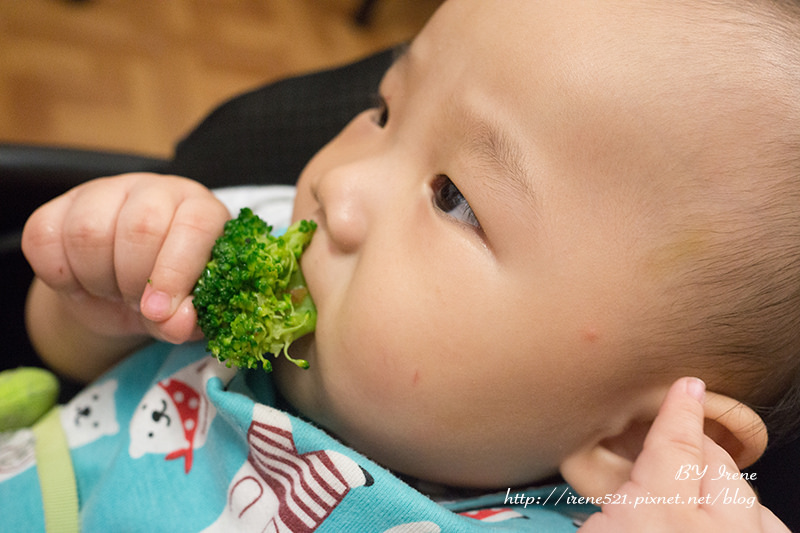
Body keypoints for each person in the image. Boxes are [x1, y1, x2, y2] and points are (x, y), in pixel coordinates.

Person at [3, 0, 797, 530]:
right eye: (384, 110)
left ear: (629, 440)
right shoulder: (266, 234)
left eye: (453, 198)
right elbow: (64, 352)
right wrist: (100, 286)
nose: (337, 187)